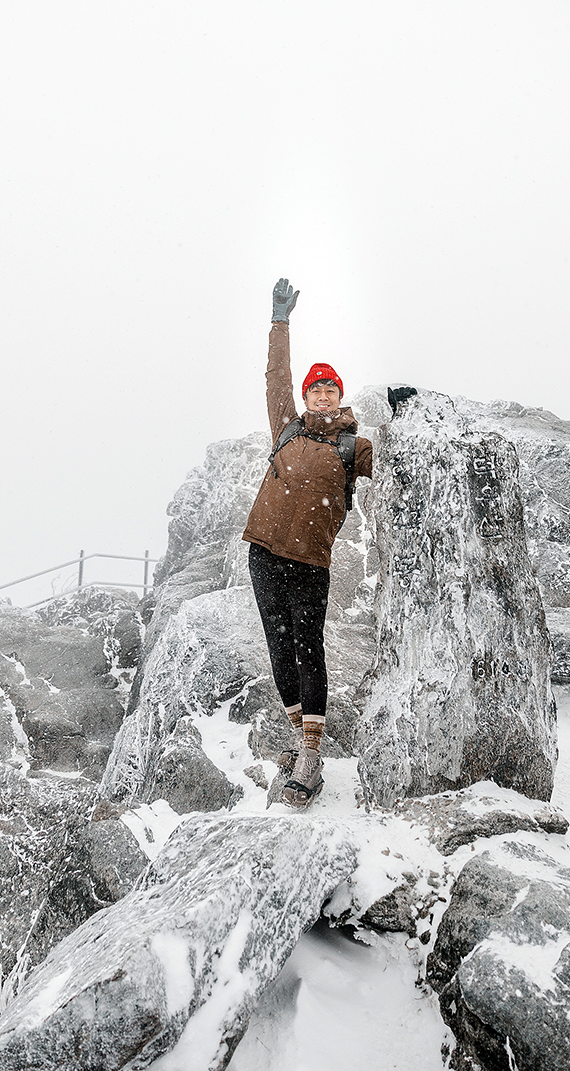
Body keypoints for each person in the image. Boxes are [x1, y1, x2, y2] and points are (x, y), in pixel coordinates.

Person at [242, 277, 373, 808]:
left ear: (340, 396)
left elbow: (402, 466)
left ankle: (311, 756)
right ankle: (301, 744)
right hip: (264, 553)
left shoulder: (353, 446)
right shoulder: (287, 428)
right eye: (315, 387)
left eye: (330, 387)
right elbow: (276, 375)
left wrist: (408, 415)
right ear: (306, 396)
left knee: (308, 650)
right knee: (279, 652)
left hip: (310, 565)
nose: (321, 393)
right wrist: (280, 322)